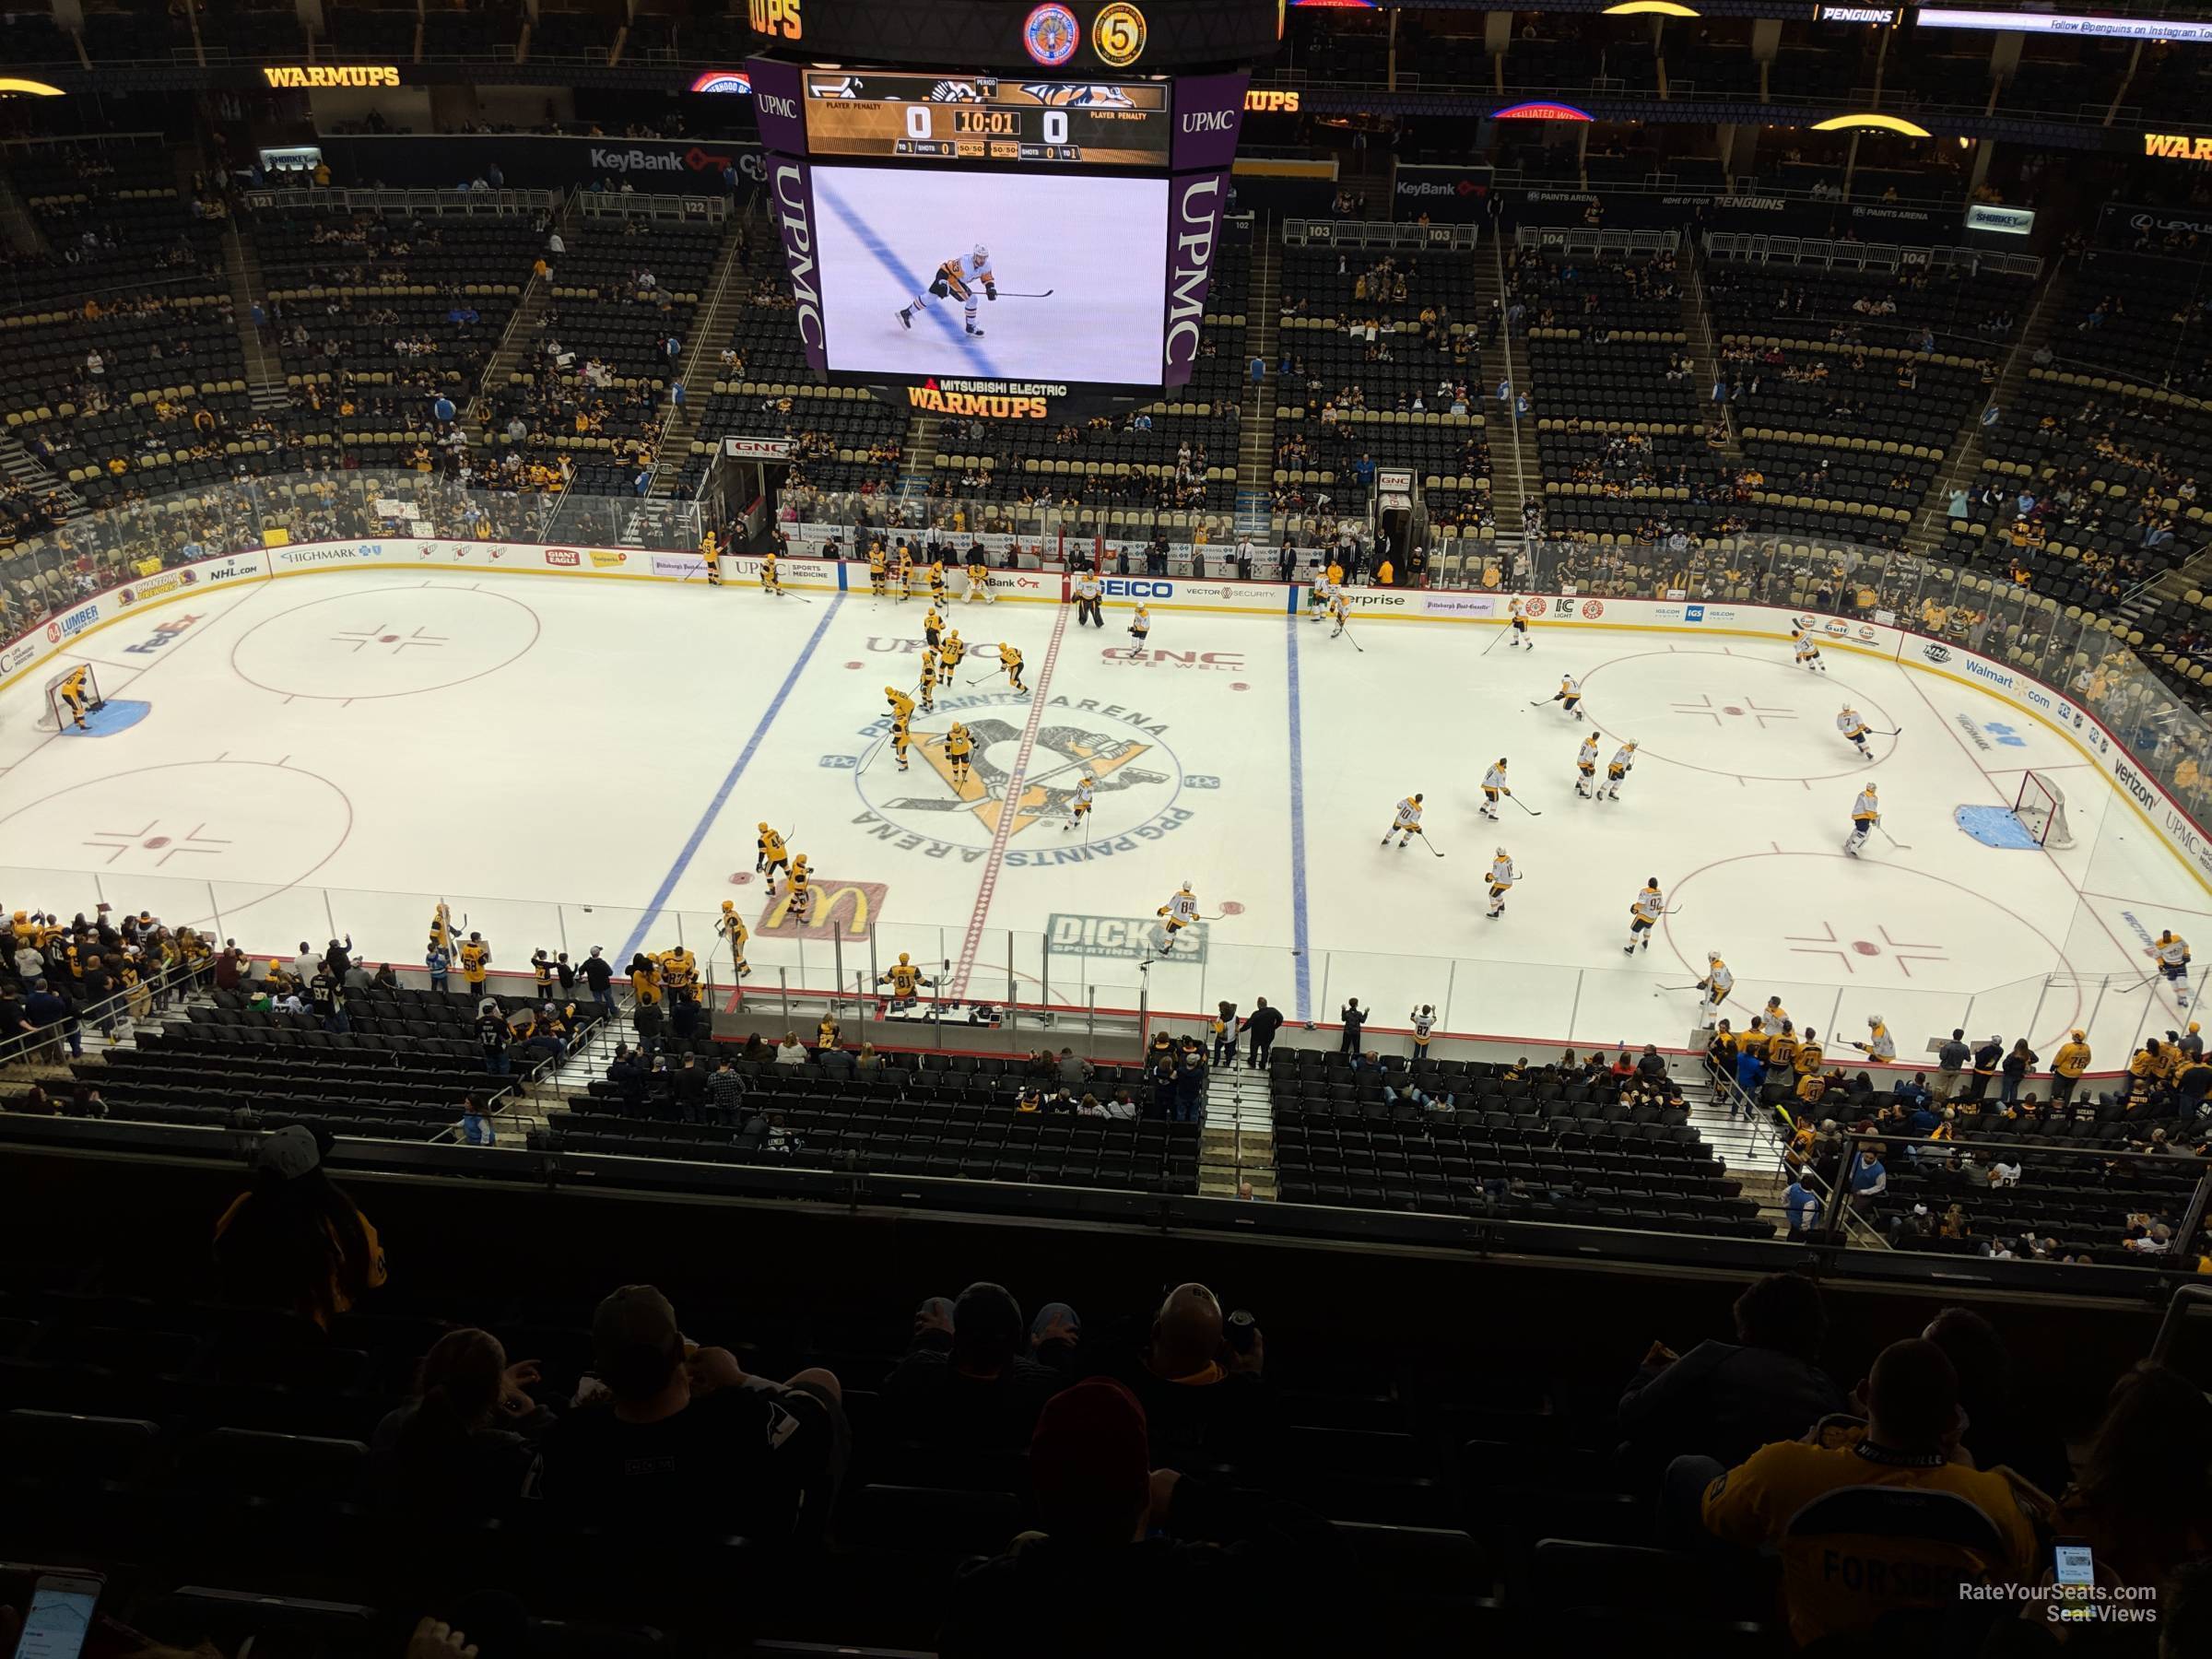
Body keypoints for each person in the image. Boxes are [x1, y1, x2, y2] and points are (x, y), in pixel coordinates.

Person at [935, 1376, 1353, 1659]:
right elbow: (1324, 1547)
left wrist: (1022, 1560)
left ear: (1041, 1497)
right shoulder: (1205, 1589)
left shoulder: (984, 1600)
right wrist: (1191, 1500)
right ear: (1144, 1495)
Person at [1682, 1338, 2042, 1647]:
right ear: (1952, 1421)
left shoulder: (1787, 1468)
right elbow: (2029, 1586)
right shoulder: (1995, 1500)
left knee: (1690, 1470)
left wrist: (1802, 1451)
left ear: (1866, 1395)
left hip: (1804, 1642)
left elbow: (1719, 1516)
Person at [539, 1284, 848, 1545]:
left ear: (602, 1369)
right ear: (677, 1349)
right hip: (728, 1605)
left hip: (601, 1608)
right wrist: (739, 1378)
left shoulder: (569, 1439)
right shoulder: (737, 1417)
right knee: (820, 1384)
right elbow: (818, 1417)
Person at [1618, 1272, 1846, 1481]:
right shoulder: (1824, 1387)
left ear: (1745, 1319)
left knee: (1629, 1452)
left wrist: (1648, 1373)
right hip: (1785, 1509)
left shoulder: (1712, 1357)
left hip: (1718, 1500)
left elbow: (1631, 1416)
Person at [211, 1124, 388, 1330]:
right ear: (315, 1172)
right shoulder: (340, 1218)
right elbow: (372, 1282)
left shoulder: (244, 1207)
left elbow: (217, 1254)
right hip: (319, 1338)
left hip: (242, 1332)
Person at [365, 1328, 552, 1518]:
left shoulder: (392, 1425)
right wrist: (533, 1416)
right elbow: (559, 1467)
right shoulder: (500, 1450)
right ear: (495, 1392)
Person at [884, 1283, 1080, 1450]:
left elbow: (893, 1391)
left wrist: (933, 1336)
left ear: (956, 1338)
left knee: (938, 1305)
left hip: (935, 1464)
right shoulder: (1043, 1388)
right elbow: (1067, 1395)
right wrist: (1055, 1347)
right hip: (1009, 1469)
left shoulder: (918, 1372)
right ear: (1016, 1341)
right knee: (1057, 1311)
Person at [1113, 1282, 1276, 1473]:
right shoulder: (1245, 1401)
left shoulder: (1119, 1378)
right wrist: (1250, 1376)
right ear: (1218, 1347)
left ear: (1155, 1330)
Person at [1241, 996, 1283, 1067]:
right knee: (1265, 1049)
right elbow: (1281, 1019)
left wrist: (1240, 1030)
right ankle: (1263, 1064)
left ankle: (1252, 1062)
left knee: (1254, 1049)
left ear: (1258, 1005)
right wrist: (1275, 1027)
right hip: (1269, 1035)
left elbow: (1248, 1024)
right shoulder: (1273, 1011)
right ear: (1266, 1004)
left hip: (1256, 1036)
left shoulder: (1256, 1014)